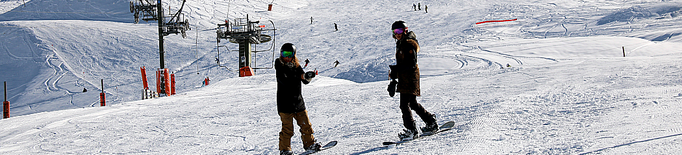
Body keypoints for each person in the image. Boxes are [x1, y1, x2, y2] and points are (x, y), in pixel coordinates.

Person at [389, 21, 438, 140]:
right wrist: (394, 76)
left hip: (410, 77)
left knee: (404, 104)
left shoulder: (409, 44)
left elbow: (411, 64)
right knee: (412, 103)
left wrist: (396, 70)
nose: (397, 34)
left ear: (405, 30)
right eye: (395, 32)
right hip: (405, 77)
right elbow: (403, 63)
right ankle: (431, 122)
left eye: (399, 31)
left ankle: (411, 130)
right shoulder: (401, 43)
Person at [275, 43, 320, 155]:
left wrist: (307, 76)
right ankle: (285, 150)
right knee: (287, 129)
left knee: (306, 125)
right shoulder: (279, 65)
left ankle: (309, 144)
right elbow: (284, 80)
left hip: (298, 102)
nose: (287, 57)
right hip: (285, 104)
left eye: (289, 54)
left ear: (293, 55)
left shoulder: (296, 66)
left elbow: (304, 80)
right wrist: (300, 77)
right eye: (284, 54)